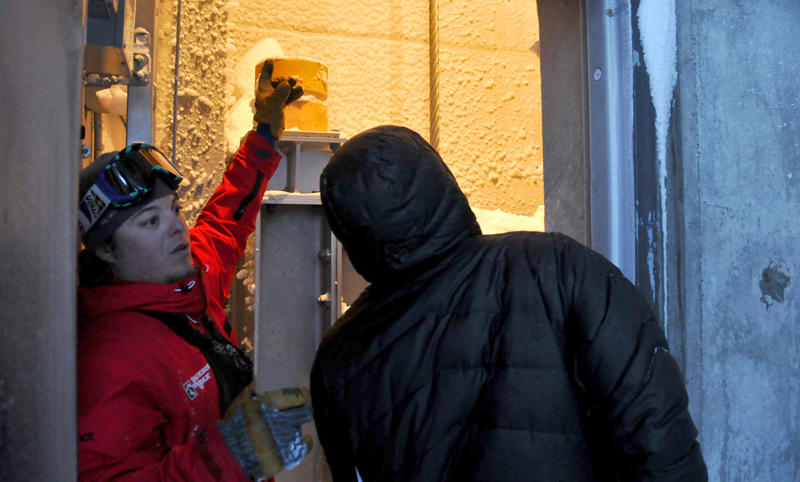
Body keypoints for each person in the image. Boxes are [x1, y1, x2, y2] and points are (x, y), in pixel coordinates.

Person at [310, 125, 708, 481]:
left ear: (350, 235)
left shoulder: (339, 358)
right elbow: (656, 428)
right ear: (442, 183)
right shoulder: (557, 266)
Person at [77, 61, 313, 481]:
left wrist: (264, 135)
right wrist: (226, 455)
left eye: (174, 210)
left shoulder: (189, 279)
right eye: (149, 222)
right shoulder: (109, 362)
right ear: (106, 251)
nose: (176, 228)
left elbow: (225, 221)